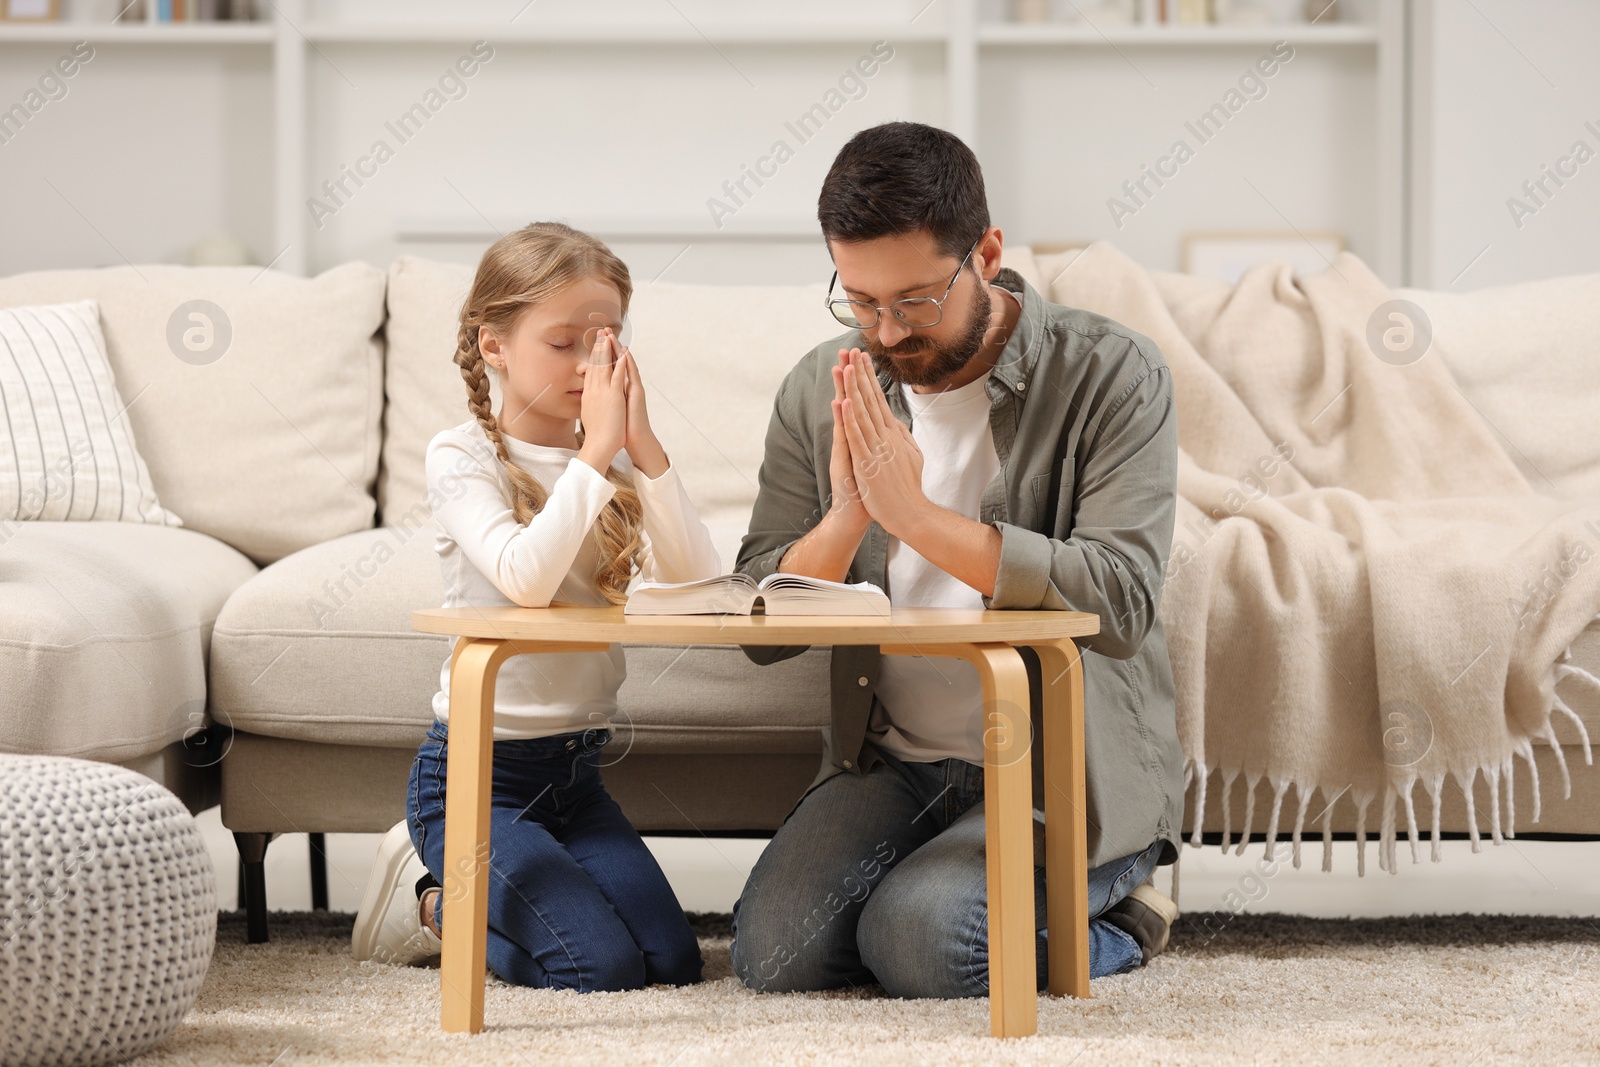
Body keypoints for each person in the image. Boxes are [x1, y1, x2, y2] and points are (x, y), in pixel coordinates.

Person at [729, 122, 1185, 998]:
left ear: (987, 250)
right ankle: (975, 897)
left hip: (1055, 762)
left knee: (924, 942)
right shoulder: (820, 387)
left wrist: (917, 517)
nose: (888, 332)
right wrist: (848, 515)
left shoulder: (1113, 374)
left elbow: (1123, 600)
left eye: (917, 301)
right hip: (893, 762)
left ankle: (1124, 912)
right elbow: (760, 625)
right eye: (860, 301)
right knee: (776, 953)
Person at [349, 221, 717, 991]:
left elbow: (696, 584)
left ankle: (488, 890)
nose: (589, 363)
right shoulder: (462, 456)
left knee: (673, 962)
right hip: (477, 778)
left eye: (605, 340)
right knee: (596, 966)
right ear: (494, 346)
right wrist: (593, 454)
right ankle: (431, 903)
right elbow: (524, 577)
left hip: (575, 779)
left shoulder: (611, 462)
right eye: (563, 343)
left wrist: (641, 446)